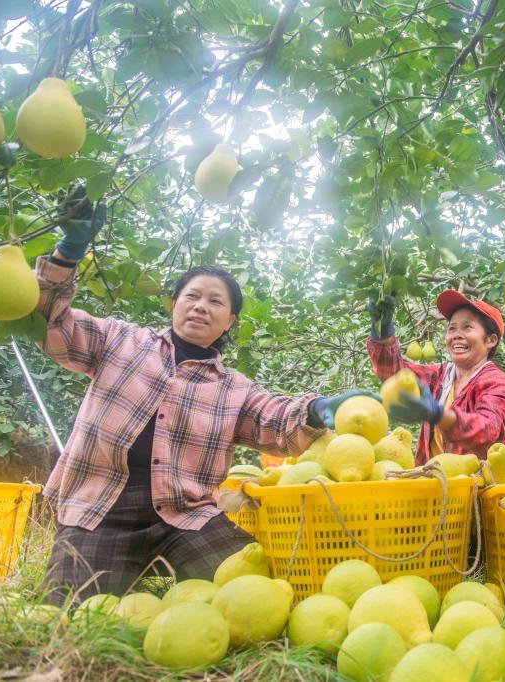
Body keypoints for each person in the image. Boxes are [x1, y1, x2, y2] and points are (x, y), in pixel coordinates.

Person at [36, 188, 365, 604]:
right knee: (68, 612)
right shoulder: (118, 341)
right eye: (191, 296)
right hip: (102, 508)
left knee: (255, 598)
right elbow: (49, 324)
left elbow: (275, 419)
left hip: (185, 516)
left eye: (215, 302)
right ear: (174, 304)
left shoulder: (233, 388)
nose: (200, 307)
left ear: (229, 321)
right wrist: (67, 254)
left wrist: (319, 410)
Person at [367, 290, 505, 465]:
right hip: (442, 484)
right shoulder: (440, 377)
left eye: (467, 327)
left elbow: (486, 429)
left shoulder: (499, 383)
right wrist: (382, 333)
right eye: (452, 328)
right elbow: (395, 374)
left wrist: (438, 414)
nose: (456, 335)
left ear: (490, 340)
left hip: (490, 487)